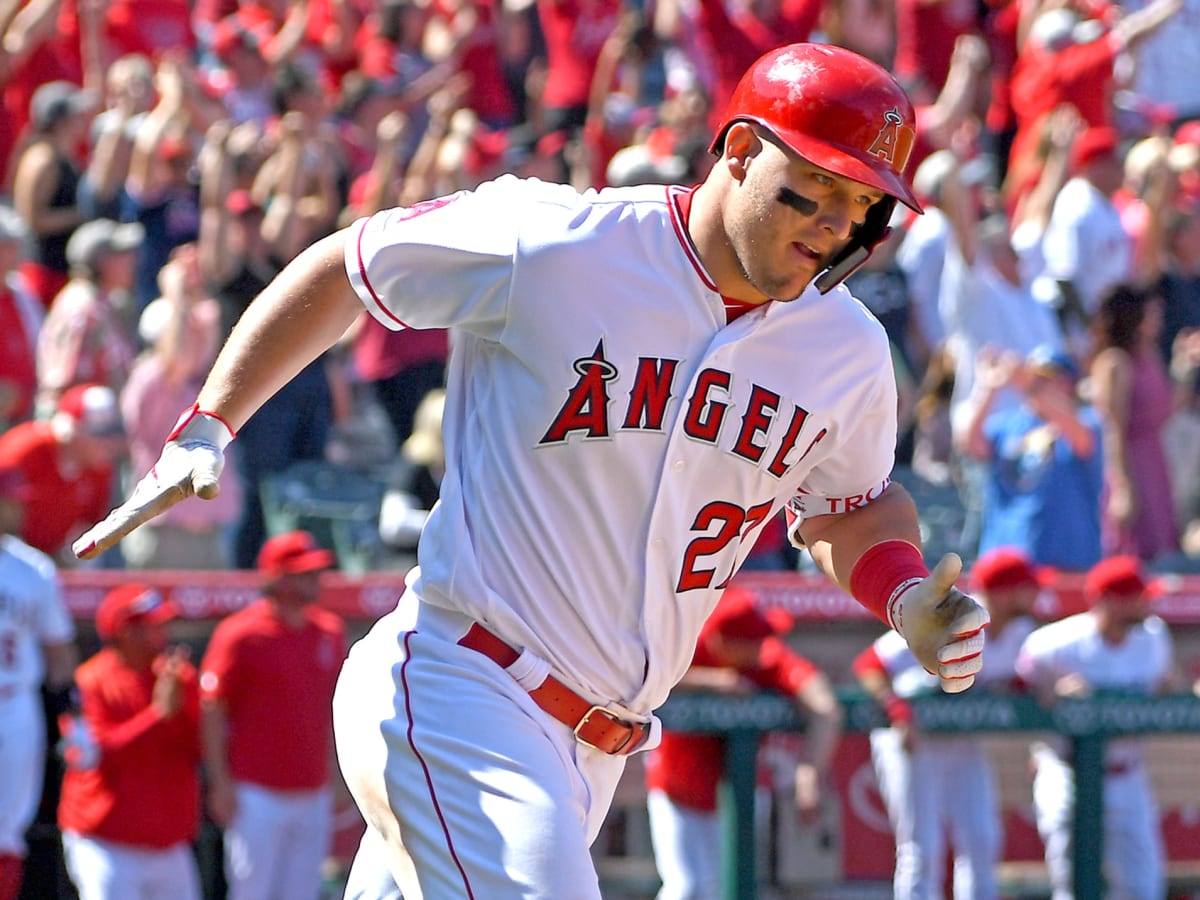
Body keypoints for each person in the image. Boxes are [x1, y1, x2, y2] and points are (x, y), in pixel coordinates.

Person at [74, 43, 990, 898]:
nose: (834, 228)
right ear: (743, 152)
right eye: (815, 190)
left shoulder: (847, 350)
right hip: (460, 684)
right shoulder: (558, 242)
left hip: (594, 750)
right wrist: (210, 422)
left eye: (859, 208)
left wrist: (905, 594)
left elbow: (847, 507)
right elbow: (348, 269)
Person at [853, 545, 1041, 900]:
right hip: (913, 739)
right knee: (922, 848)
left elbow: (1013, 679)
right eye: (1025, 587)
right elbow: (870, 664)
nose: (1034, 595)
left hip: (961, 740)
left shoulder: (1020, 632)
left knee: (983, 838)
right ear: (1001, 592)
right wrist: (897, 711)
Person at [644, 590, 842, 900]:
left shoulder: (766, 657)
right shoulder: (688, 650)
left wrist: (810, 771)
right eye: (750, 640)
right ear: (723, 640)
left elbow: (824, 706)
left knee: (729, 888)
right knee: (687, 887)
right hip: (677, 787)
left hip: (735, 793)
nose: (760, 647)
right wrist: (713, 681)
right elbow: (643, 677)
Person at [1015, 554, 1180, 900]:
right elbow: (1015, 685)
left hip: (1127, 773)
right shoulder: (1055, 643)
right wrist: (1051, 691)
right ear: (1109, 601)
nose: (1147, 603)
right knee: (1071, 886)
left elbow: (1167, 684)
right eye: (1137, 596)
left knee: (1142, 888)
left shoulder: (1153, 638)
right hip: (1067, 772)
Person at [199, 530, 347, 900]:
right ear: (275, 576)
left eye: (316, 571)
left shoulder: (329, 630)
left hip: (312, 789)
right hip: (255, 791)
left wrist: (336, 775)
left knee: (303, 892)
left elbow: (330, 710)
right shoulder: (240, 633)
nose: (314, 579)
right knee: (252, 891)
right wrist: (220, 782)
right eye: (302, 572)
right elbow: (212, 708)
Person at [57, 583, 202, 900]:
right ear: (125, 632)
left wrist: (183, 703)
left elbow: (200, 748)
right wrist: (157, 714)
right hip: (106, 841)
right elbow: (93, 755)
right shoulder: (90, 680)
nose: (163, 633)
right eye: (153, 626)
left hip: (168, 843)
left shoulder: (177, 676)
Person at [0, 465, 77, 900]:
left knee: (8, 828)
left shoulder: (33, 569)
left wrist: (64, 716)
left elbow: (59, 655)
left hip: (14, 703)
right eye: (8, 500)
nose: (15, 509)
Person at [961, 344, 1104, 571]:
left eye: (1049, 378)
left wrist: (1028, 383)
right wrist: (987, 387)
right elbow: (970, 443)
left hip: (1067, 562)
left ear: (1069, 384)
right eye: (1037, 378)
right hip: (1006, 560)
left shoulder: (1087, 421)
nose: (1039, 386)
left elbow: (1083, 440)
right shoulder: (1007, 424)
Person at [0, 382, 126, 562]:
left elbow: (90, 526)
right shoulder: (24, 449)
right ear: (72, 430)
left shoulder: (100, 468)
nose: (108, 446)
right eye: (99, 435)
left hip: (53, 558)